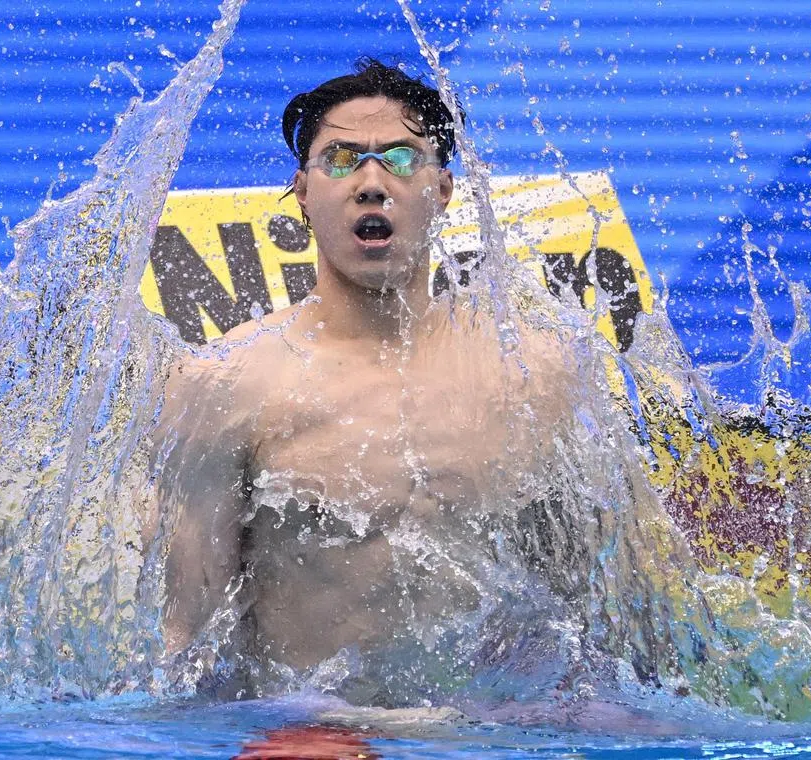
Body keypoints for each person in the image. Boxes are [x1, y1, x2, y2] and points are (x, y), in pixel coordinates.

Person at [152, 58, 630, 707]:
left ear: (441, 189)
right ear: (302, 190)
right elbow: (187, 638)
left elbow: (595, 611)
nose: (371, 183)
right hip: (314, 733)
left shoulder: (534, 375)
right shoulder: (224, 385)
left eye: (401, 159)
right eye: (342, 159)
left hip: (490, 734)